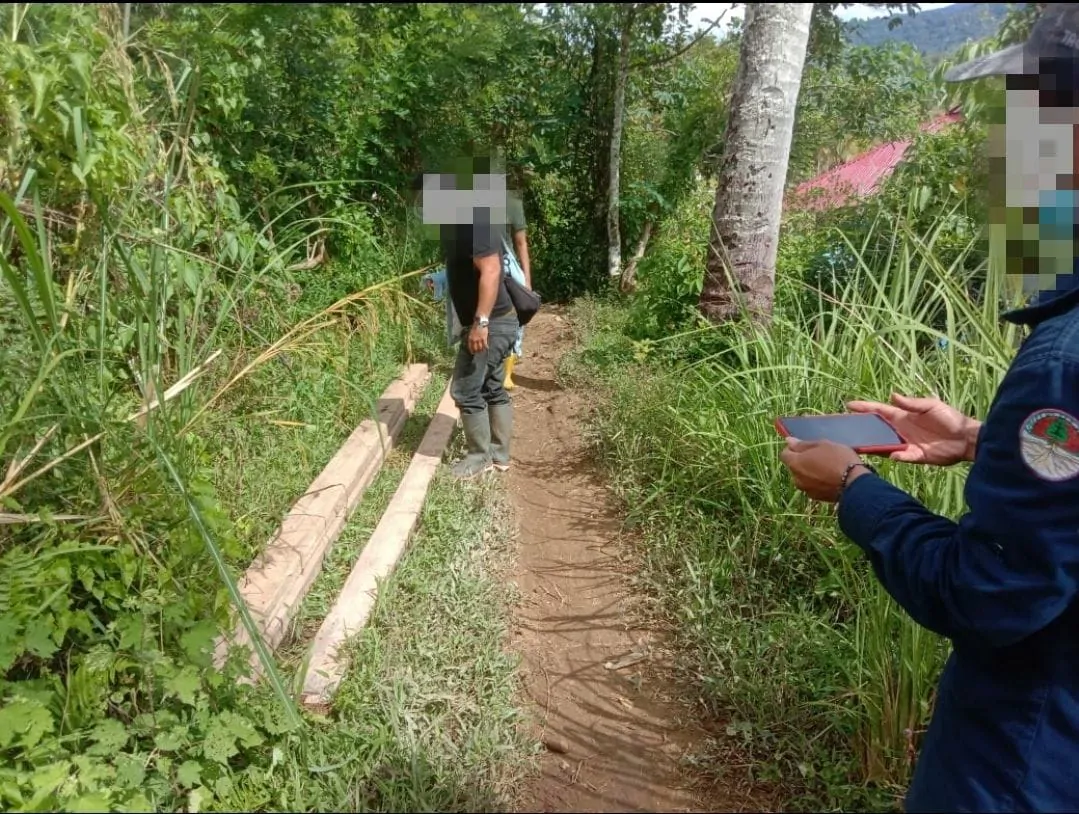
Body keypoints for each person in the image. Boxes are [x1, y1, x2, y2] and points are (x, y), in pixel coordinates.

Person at [779, 6, 1079, 812]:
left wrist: (856, 492)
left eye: (1026, 117)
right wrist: (984, 440)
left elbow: (991, 594)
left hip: (1022, 765)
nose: (1008, 149)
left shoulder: (1062, 360)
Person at [412, 163, 520, 479]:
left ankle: (478, 458)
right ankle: (499, 455)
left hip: (492, 324)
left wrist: (481, 323)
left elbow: (490, 270)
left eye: (424, 199)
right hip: (499, 321)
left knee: (466, 389)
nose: (422, 206)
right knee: (491, 387)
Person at [503, 172, 531, 391]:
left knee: (515, 320)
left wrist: (526, 281)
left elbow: (521, 243)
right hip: (477, 264)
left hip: (505, 266)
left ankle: (507, 373)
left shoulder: (512, 204)